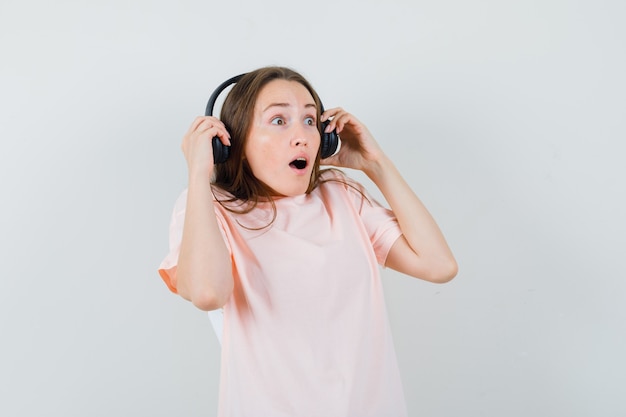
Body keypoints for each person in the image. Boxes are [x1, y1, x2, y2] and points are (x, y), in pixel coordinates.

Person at [158, 66, 457, 417]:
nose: (301, 136)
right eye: (279, 121)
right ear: (233, 143)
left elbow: (439, 265)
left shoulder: (342, 196)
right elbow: (208, 292)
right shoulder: (210, 209)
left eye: (310, 121)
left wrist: (376, 164)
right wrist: (199, 173)